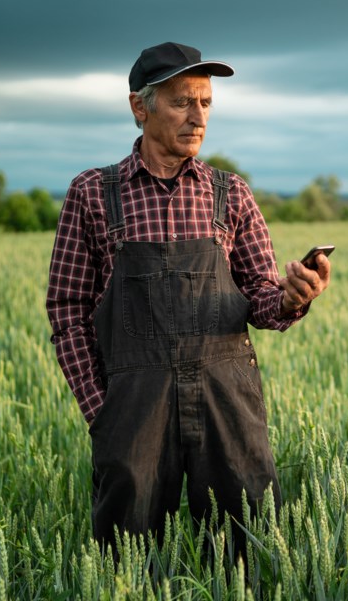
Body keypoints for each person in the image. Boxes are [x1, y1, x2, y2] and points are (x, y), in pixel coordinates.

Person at [46, 41, 330, 556]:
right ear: (140, 107)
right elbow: (67, 311)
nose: (198, 117)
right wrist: (102, 411)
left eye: (205, 103)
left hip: (227, 401)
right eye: (182, 102)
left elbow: (260, 297)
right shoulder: (92, 194)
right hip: (135, 408)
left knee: (246, 553)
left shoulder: (231, 193)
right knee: (125, 562)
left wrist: (291, 299)